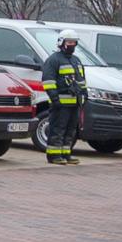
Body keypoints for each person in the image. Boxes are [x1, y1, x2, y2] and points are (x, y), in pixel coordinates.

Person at [39, 29, 87, 165]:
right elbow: (48, 81)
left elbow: (81, 80)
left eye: (74, 42)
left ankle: (66, 154)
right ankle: (54, 155)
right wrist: (55, 98)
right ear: (61, 43)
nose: (71, 45)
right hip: (60, 103)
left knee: (71, 130)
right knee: (58, 129)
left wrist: (84, 94)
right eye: (69, 42)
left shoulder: (76, 61)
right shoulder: (53, 60)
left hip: (74, 103)